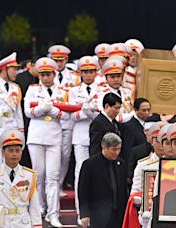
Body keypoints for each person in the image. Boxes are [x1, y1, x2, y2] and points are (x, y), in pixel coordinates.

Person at [24, 57, 70, 227]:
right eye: (42, 74)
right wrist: (40, 109)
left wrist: (55, 111)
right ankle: (40, 207)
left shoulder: (63, 91)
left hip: (54, 137)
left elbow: (68, 115)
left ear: (54, 74)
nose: (45, 78)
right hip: (36, 136)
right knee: (39, 175)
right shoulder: (32, 89)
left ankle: (53, 213)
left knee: (53, 176)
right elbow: (27, 111)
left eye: (48, 74)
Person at [0, 129, 42, 228]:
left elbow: (34, 206)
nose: (14, 154)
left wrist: (37, 225)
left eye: (17, 150)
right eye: (10, 150)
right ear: (3, 152)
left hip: (22, 223)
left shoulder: (29, 175)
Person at [69, 55, 102, 223]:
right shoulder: (73, 90)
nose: (88, 75)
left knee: (97, 173)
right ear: (80, 73)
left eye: (91, 71)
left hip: (97, 136)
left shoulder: (103, 89)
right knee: (80, 174)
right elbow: (71, 115)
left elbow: (105, 112)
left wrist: (91, 112)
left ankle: (96, 210)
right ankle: (81, 213)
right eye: (85, 72)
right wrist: (85, 112)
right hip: (81, 134)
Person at [48, 44, 79, 198]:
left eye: (61, 60)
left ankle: (59, 184)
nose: (58, 63)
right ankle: (51, 185)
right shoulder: (47, 74)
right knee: (53, 154)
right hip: (51, 121)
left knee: (65, 155)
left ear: (66, 59)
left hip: (67, 121)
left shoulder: (74, 77)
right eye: (55, 60)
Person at [78, 132, 128, 228]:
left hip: (119, 215)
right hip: (98, 215)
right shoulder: (90, 164)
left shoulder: (121, 163)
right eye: (114, 149)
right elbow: (83, 191)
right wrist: (84, 214)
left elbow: (123, 189)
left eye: (119, 149)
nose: (117, 152)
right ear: (104, 147)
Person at [98, 58, 134, 124]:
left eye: (118, 76)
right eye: (112, 77)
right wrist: (133, 115)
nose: (116, 79)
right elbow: (107, 115)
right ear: (106, 78)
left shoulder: (128, 91)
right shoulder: (102, 93)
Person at [89, 92, 122, 157]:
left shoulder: (115, 122)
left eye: (119, 108)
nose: (118, 111)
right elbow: (95, 147)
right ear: (107, 106)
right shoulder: (98, 123)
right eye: (116, 108)